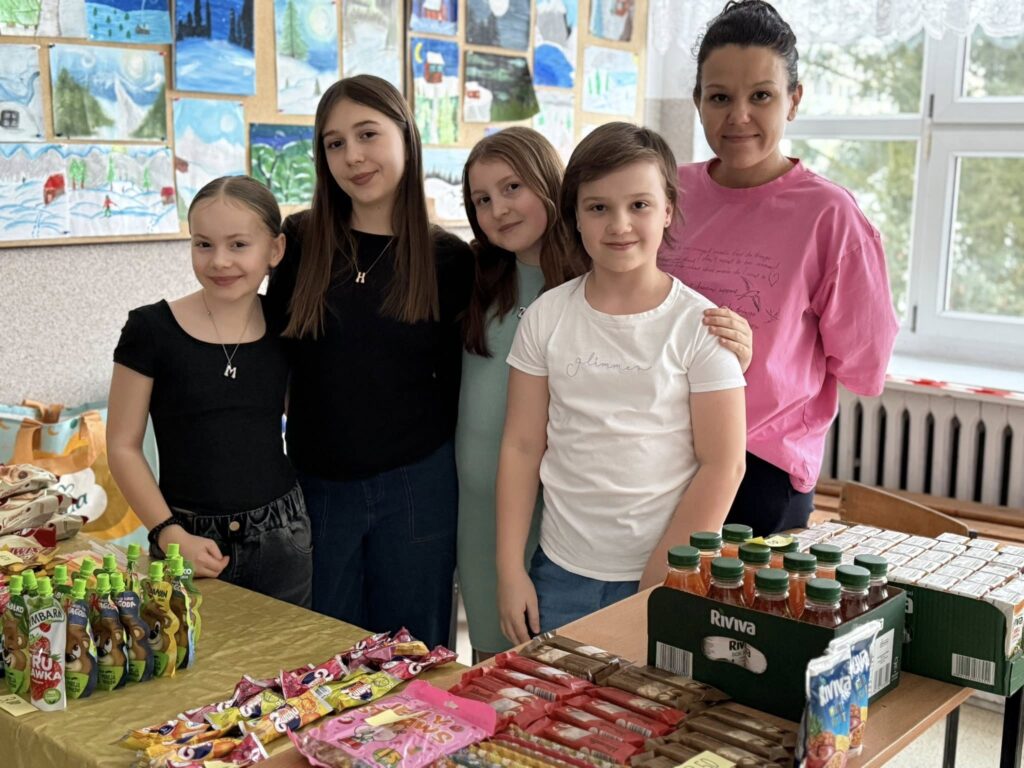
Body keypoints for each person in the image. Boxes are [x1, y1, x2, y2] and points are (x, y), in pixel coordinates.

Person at [496, 123, 747, 643]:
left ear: (668, 209)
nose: (619, 225)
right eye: (598, 207)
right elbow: (521, 446)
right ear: (575, 216)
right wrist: (509, 569)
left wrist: (666, 570)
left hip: (667, 572)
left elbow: (724, 463)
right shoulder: (546, 316)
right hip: (559, 572)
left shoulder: (700, 325)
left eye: (639, 205)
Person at [660, 0, 899, 535]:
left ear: (794, 100)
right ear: (698, 101)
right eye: (719, 97)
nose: (738, 116)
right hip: (658, 452)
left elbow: (865, 363)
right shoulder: (666, 191)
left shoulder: (830, 216)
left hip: (762, 468)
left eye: (761, 96)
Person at [264, 75, 473, 649]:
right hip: (318, 483)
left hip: (418, 485)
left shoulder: (449, 259)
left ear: (406, 135)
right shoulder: (300, 241)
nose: (352, 156)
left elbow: (465, 383)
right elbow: (270, 354)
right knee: (322, 655)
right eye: (334, 143)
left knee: (414, 655)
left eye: (367, 134)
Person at [108, 176, 312, 607]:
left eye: (238, 245)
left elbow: (307, 424)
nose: (219, 261)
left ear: (274, 250)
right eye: (203, 244)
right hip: (185, 540)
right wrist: (168, 532)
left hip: (283, 538)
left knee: (288, 651)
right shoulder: (150, 329)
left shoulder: (288, 324)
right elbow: (122, 446)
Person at [457, 127, 586, 661]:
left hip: (558, 518)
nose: (499, 209)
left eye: (512, 188)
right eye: (482, 200)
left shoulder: (593, 282)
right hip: (480, 517)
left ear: (548, 182)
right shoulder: (476, 280)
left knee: (557, 672)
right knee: (490, 667)